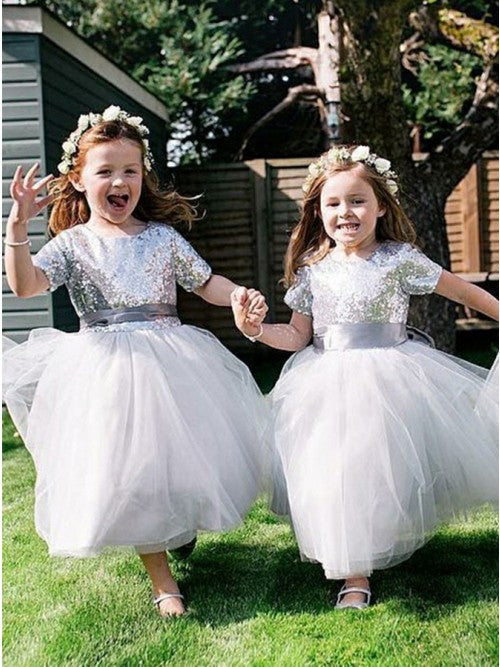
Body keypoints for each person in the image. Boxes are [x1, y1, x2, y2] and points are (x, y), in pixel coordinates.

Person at [3, 106, 269, 618]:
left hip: (172, 359)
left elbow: (204, 281)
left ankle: (180, 529)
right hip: (105, 368)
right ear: (79, 180)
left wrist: (239, 295)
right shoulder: (73, 245)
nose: (119, 181)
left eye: (130, 170)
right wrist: (17, 229)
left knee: (180, 458)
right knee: (134, 473)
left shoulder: (162, 238)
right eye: (105, 171)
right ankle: (163, 581)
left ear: (143, 177)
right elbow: (26, 284)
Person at [231, 144, 499, 610]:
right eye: (333, 203)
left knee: (378, 470)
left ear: (380, 206)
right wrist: (255, 330)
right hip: (324, 383)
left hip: (389, 377)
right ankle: (354, 573)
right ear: (318, 211)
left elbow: (461, 291)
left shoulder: (401, 259)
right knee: (337, 473)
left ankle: (375, 544)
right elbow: (297, 336)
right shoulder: (313, 272)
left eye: (357, 200)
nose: (346, 212)